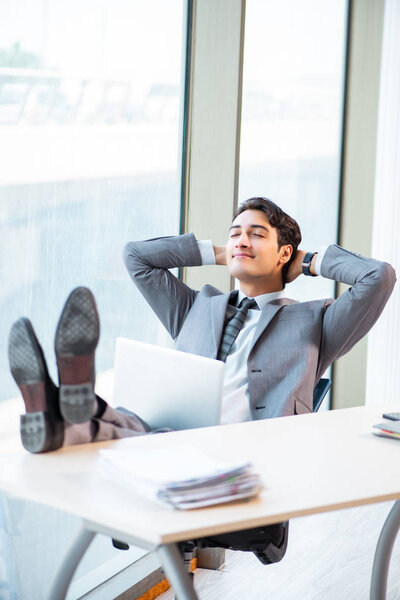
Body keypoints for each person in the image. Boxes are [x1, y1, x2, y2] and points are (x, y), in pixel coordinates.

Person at [8, 197, 396, 453]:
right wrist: (220, 251)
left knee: (127, 436)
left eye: (257, 234)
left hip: (243, 452)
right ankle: (62, 409)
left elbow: (379, 277)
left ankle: (65, 405)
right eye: (235, 234)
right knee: (131, 427)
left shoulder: (317, 322)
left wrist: (309, 261)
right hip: (168, 435)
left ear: (284, 253)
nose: (242, 240)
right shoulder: (197, 307)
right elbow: (136, 257)